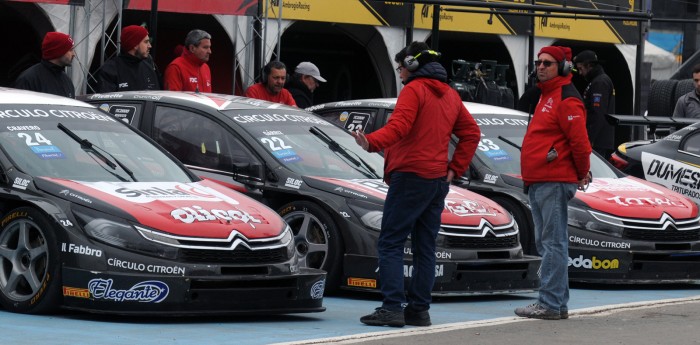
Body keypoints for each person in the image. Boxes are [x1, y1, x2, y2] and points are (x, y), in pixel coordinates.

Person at [351, 41, 480, 328]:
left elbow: (400, 127)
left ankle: (392, 307)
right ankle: (419, 311)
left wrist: (370, 142)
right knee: (425, 247)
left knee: (391, 242)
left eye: (400, 67)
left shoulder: (414, 90)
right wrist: (453, 169)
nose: (399, 74)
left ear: (411, 65)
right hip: (436, 180)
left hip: (410, 177)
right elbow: (472, 133)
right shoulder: (450, 95)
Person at [515, 46, 592, 320]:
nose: (541, 66)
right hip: (541, 180)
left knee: (553, 243)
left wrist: (582, 171)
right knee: (550, 242)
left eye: (548, 63)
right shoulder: (545, 96)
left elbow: (580, 143)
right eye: (539, 62)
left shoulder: (567, 99)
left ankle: (549, 303)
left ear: (563, 67)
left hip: (554, 180)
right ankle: (556, 304)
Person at [574, 49, 616, 158]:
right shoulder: (598, 80)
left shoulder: (600, 82)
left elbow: (598, 113)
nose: (579, 73)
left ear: (589, 66)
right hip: (599, 139)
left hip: (597, 140)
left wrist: (589, 138)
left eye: (580, 69)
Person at [96, 25, 160, 92]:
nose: (150, 45)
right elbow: (107, 100)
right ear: (135, 45)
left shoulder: (149, 65)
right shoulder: (111, 70)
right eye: (146, 42)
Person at [14, 31, 76, 98]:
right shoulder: (29, 79)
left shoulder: (67, 80)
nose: (73, 54)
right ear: (57, 51)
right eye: (70, 50)